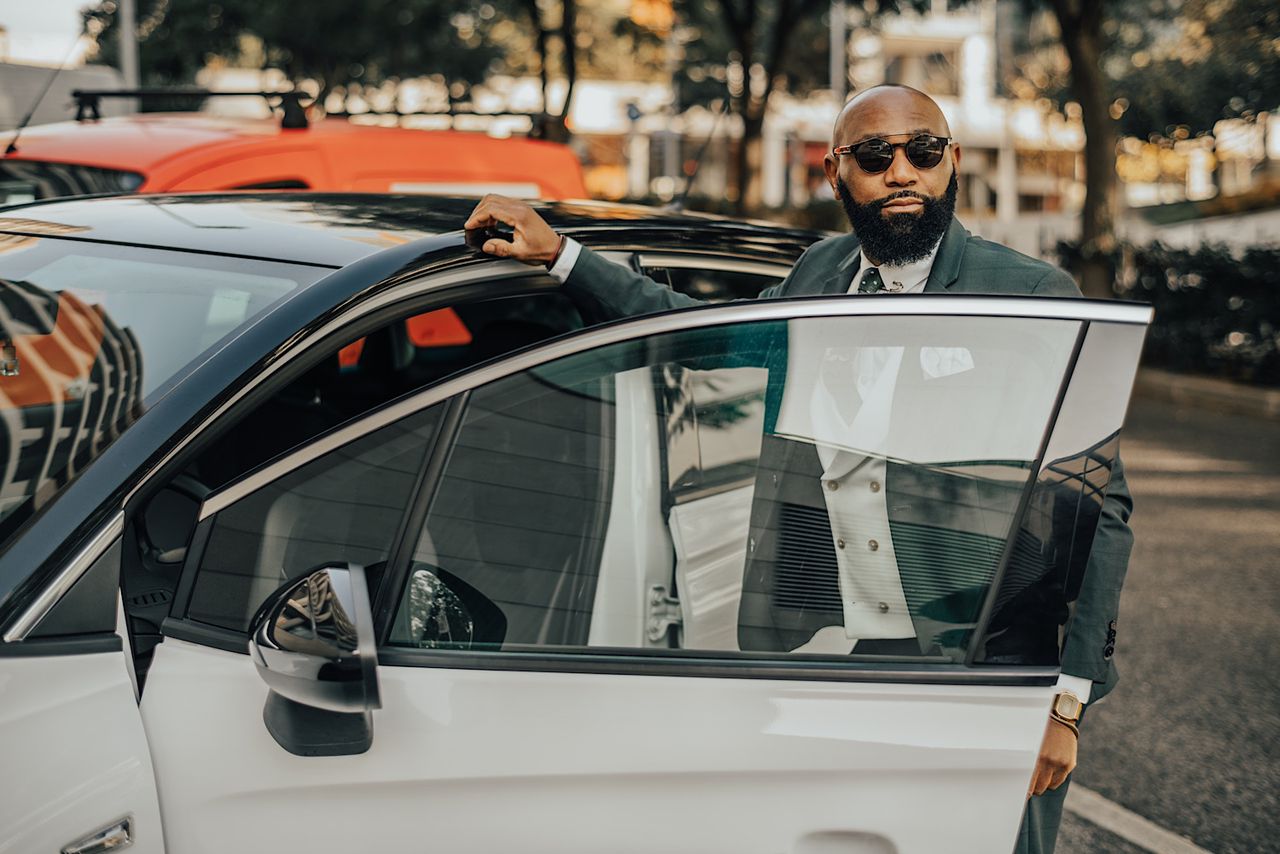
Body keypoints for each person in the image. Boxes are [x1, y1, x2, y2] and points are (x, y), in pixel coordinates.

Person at [464, 83, 1134, 854]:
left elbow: (1100, 509)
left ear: (952, 161)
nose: (902, 173)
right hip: (831, 657)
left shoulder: (1028, 294)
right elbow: (704, 338)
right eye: (877, 156)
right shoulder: (818, 274)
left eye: (923, 151)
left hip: (978, 666)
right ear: (835, 172)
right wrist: (562, 256)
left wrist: (1063, 702)